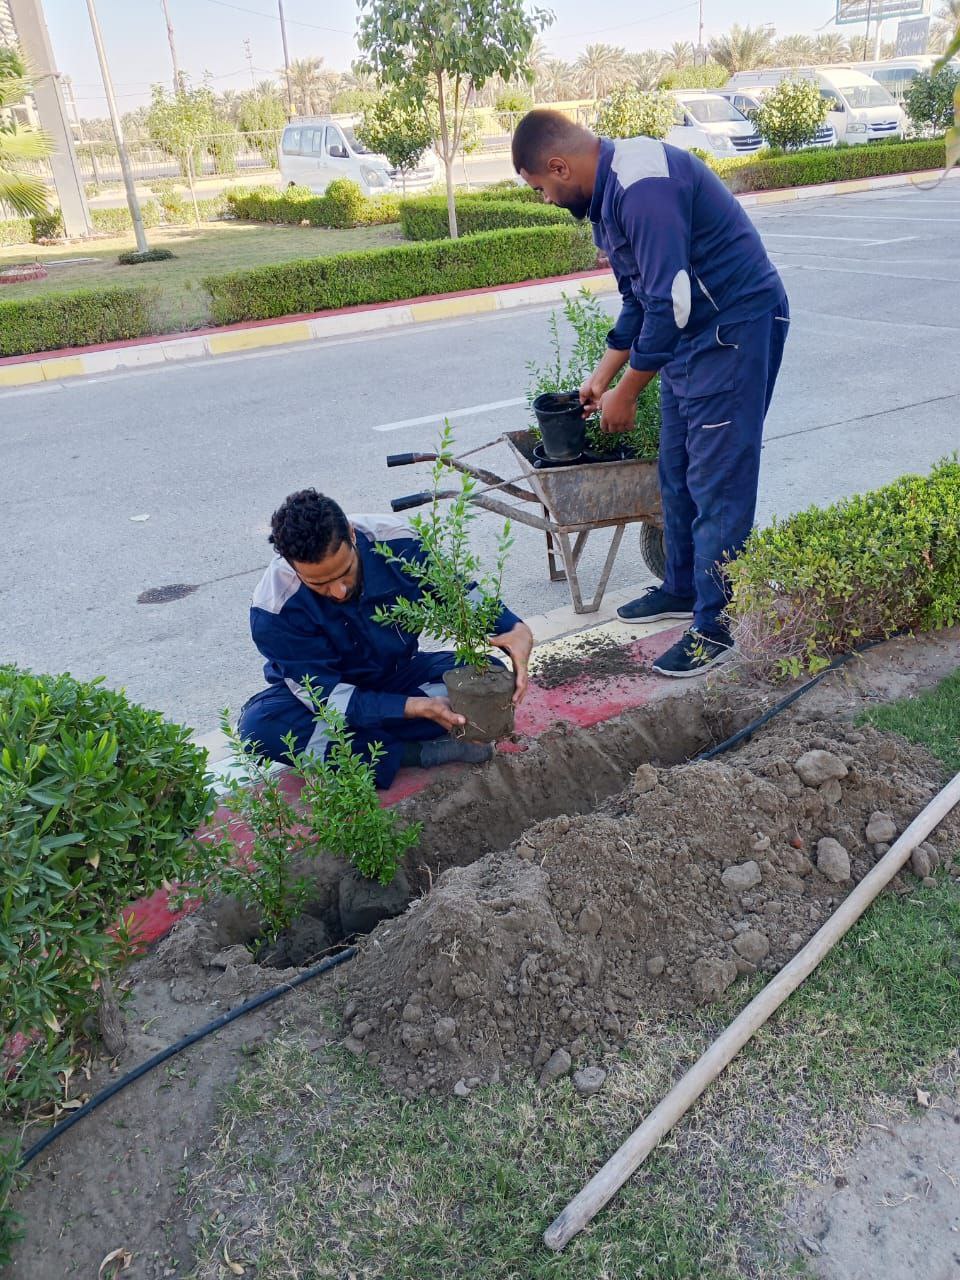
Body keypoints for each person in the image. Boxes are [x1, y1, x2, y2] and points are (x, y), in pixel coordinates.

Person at [512, 109, 790, 677]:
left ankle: (718, 627)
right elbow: (640, 302)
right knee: (677, 469)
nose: (544, 198)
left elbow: (670, 303)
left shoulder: (642, 188)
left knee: (719, 482)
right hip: (692, 336)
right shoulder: (605, 197)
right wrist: (602, 376)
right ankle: (683, 587)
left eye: (540, 186)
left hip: (734, 329)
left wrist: (627, 392)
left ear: (559, 165)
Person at [237, 489, 533, 788]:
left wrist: (513, 628)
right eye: (319, 584)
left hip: (397, 676)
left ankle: (360, 745)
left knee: (484, 675)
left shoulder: (398, 542)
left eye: (345, 573)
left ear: (352, 535)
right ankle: (411, 752)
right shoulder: (273, 608)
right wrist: (415, 708)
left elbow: (458, 591)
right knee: (259, 727)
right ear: (290, 563)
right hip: (324, 703)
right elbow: (326, 699)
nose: (338, 591)